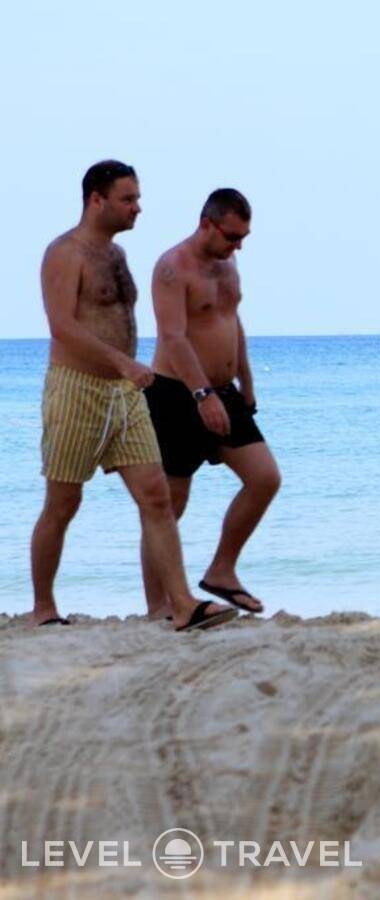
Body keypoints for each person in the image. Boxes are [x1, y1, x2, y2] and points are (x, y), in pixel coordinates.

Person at [31, 160, 238, 632]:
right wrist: (122, 362)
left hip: (125, 394)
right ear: (96, 200)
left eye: (138, 198)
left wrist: (129, 369)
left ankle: (179, 604)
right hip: (76, 388)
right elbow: (61, 325)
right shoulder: (64, 252)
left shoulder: (118, 255)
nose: (138, 208)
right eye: (128, 199)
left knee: (156, 496)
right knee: (63, 503)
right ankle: (43, 608)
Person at [142, 188, 280, 616]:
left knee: (264, 478)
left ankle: (222, 570)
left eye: (243, 238)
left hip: (224, 391)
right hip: (177, 394)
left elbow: (231, 320)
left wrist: (246, 380)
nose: (238, 246)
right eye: (232, 236)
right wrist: (202, 395)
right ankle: (158, 606)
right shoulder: (172, 267)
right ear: (207, 224)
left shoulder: (229, 263)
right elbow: (173, 337)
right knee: (169, 505)